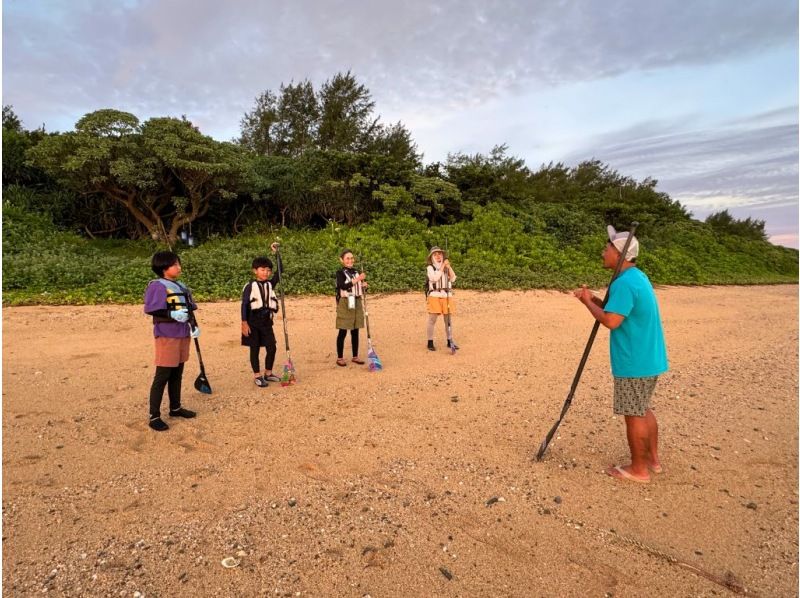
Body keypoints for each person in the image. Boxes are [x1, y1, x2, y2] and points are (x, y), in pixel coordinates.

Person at [573, 226, 669, 483]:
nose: (603, 251)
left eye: (607, 247)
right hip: (649, 357)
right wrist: (592, 300)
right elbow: (615, 309)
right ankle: (652, 460)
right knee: (642, 408)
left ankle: (639, 469)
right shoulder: (636, 277)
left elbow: (612, 321)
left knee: (634, 413)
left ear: (619, 253)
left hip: (634, 360)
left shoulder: (624, 283)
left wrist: (588, 304)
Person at [143, 251, 199, 431]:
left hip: (183, 333)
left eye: (179, 263)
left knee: (177, 373)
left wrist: (194, 325)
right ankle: (154, 416)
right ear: (163, 267)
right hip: (167, 335)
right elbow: (152, 309)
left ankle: (175, 408)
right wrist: (171, 314)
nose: (179, 267)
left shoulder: (181, 286)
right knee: (163, 375)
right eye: (175, 264)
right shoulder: (158, 286)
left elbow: (189, 309)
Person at [241, 243, 282, 387]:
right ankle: (257, 375)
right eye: (262, 270)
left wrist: (277, 253)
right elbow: (244, 305)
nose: (266, 273)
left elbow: (280, 271)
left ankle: (268, 373)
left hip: (266, 322)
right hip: (252, 321)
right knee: (255, 348)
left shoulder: (270, 284)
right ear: (255, 271)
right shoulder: (249, 286)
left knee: (272, 347)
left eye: (268, 270)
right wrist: (244, 323)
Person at [335, 249, 367, 367]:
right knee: (343, 330)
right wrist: (358, 279)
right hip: (345, 302)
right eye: (347, 258)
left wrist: (364, 285)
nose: (350, 260)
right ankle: (340, 358)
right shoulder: (340, 273)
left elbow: (358, 287)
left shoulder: (356, 272)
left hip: (356, 301)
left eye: (352, 258)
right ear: (342, 260)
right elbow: (342, 286)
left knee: (355, 330)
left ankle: (355, 356)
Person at [425, 246, 457, 351]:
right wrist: (443, 266)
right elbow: (434, 278)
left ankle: (450, 341)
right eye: (435, 254)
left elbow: (453, 278)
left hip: (446, 295)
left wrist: (449, 267)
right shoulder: (430, 268)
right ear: (432, 257)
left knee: (448, 320)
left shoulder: (446, 266)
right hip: (434, 295)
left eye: (439, 254)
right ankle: (430, 342)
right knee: (432, 319)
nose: (438, 256)